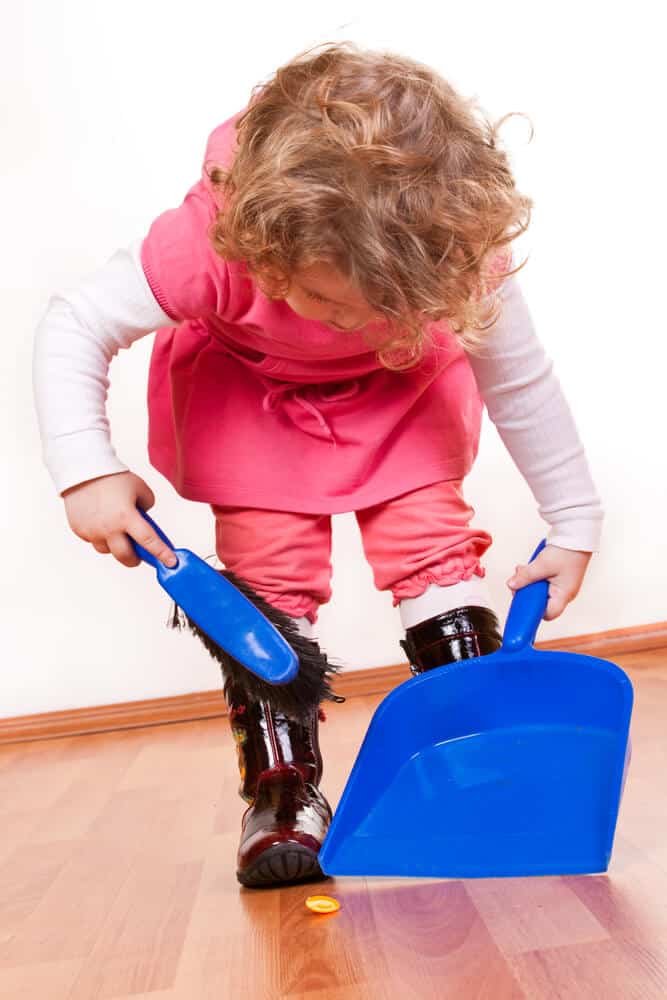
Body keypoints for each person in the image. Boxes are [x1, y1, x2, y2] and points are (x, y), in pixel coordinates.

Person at [32, 41, 603, 888]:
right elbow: (76, 324)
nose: (351, 322)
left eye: (387, 305)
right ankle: (281, 788)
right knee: (267, 575)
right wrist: (87, 469)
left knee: (432, 546)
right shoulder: (211, 243)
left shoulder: (456, 247)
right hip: (253, 399)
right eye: (334, 302)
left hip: (398, 391)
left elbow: (517, 378)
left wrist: (574, 519)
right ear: (265, 248)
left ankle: (473, 758)